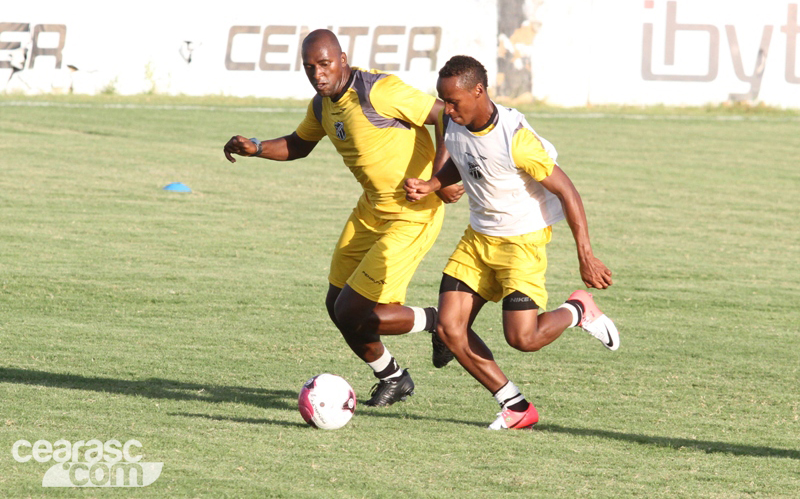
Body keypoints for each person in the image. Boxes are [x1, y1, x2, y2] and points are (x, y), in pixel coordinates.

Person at [223, 30, 463, 407]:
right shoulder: (321, 106)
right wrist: (256, 148)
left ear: (343, 59)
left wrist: (439, 178)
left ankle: (442, 323)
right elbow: (299, 144)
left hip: (411, 213)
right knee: (336, 303)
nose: (318, 74)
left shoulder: (378, 91)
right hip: (371, 210)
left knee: (353, 310)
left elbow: (447, 116)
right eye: (309, 67)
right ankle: (393, 377)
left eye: (324, 64)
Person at [404, 55, 619, 429]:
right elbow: (463, 156)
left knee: (523, 338)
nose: (447, 109)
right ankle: (516, 407)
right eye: (444, 101)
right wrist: (434, 184)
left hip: (522, 242)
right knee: (450, 329)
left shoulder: (516, 139)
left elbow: (568, 192)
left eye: (454, 101)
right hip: (478, 239)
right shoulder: (454, 122)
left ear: (479, 91)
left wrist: (586, 255)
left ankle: (578, 311)